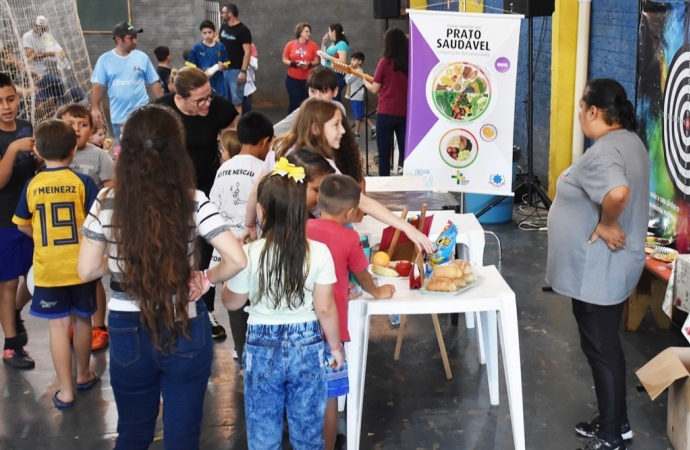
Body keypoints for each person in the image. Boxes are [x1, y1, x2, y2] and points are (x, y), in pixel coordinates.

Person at [78, 104, 246, 449]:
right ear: (176, 150)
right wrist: (206, 277)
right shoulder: (193, 200)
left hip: (127, 328)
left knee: (133, 434)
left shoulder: (106, 201)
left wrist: (123, 265)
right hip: (184, 321)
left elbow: (86, 269)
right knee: (183, 438)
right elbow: (237, 258)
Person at [546, 78, 650, 450]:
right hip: (609, 267)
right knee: (605, 346)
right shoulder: (628, 142)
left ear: (593, 111)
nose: (578, 115)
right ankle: (614, 421)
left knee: (602, 350)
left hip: (598, 271)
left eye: (580, 108)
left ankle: (612, 437)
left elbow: (617, 192)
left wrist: (606, 224)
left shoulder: (607, 150)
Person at [221, 158, 344, 449]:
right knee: (307, 433)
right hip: (308, 345)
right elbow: (325, 308)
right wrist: (336, 348)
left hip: (261, 346)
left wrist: (232, 268)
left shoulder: (250, 254)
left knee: (263, 433)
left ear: (262, 211)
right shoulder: (320, 252)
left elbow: (231, 302)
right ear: (304, 209)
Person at [243, 99, 434, 253]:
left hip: (271, 240)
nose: (343, 130)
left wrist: (249, 224)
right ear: (316, 129)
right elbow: (361, 201)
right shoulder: (322, 167)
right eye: (336, 125)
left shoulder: (279, 148)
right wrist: (406, 227)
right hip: (299, 246)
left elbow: (255, 193)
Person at [13, 119, 100, 408]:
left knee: (58, 327)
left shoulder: (33, 184)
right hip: (80, 266)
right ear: (74, 149)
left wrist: (42, 239)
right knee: (83, 320)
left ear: (37, 150)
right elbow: (97, 223)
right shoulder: (83, 182)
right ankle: (84, 374)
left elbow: (22, 225)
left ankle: (65, 390)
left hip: (49, 269)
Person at [307, 173, 396, 449]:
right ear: (350, 212)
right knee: (330, 398)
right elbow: (363, 275)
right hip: (330, 330)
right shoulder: (349, 238)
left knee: (304, 395)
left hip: (299, 324)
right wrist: (378, 292)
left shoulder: (304, 228)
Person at [155, 67, 238, 339]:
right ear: (179, 98)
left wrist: (230, 152)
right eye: (200, 100)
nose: (207, 104)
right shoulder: (161, 111)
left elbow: (237, 125)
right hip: (168, 189)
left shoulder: (216, 108)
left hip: (206, 185)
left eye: (209, 96)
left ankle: (206, 309)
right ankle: (164, 307)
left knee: (204, 247)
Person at [210, 111, 273, 366]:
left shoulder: (223, 168)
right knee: (256, 297)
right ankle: (259, 347)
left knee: (233, 297)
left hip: (226, 247)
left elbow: (213, 206)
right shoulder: (263, 169)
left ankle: (240, 348)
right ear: (265, 142)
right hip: (255, 245)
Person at [57, 104, 115, 351]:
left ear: (91, 130)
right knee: (69, 277)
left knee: (93, 278)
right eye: (70, 124)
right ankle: (74, 323)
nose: (77, 130)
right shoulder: (54, 155)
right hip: (64, 233)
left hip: (92, 231)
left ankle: (98, 326)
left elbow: (111, 190)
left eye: (82, 125)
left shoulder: (99, 156)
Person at [0, 73, 36, 370]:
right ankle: (11, 345)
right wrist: (13, 149)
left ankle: (13, 313)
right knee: (8, 280)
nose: (5, 106)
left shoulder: (26, 126)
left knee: (33, 274)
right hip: (3, 220)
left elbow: (32, 171)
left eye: (10, 99)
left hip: (28, 216)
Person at [91, 21, 163, 143]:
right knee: (125, 150)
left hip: (141, 114)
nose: (135, 41)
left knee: (145, 147)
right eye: (131, 38)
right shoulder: (105, 60)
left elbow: (154, 83)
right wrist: (95, 108)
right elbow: (98, 85)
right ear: (118, 39)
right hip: (119, 116)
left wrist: (164, 104)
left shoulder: (142, 57)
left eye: (136, 37)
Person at [364, 28, 409, 176]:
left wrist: (365, 82)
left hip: (385, 112)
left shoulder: (384, 62)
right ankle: (408, 183)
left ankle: (383, 186)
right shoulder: (410, 62)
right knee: (405, 153)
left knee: (383, 153)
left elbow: (375, 88)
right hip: (404, 113)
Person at [273, 65, 346, 137]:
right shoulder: (303, 113)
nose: (317, 97)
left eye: (324, 92)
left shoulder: (339, 108)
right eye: (313, 91)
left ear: (335, 91)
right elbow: (273, 132)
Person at [219, 3, 251, 118]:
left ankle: (236, 130)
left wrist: (243, 71)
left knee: (236, 101)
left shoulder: (243, 30)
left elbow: (247, 52)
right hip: (223, 69)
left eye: (223, 13)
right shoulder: (223, 28)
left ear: (230, 14)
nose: (222, 15)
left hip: (235, 70)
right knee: (224, 101)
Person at [282, 22, 321, 113]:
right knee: (294, 102)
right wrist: (294, 64)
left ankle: (306, 123)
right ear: (300, 32)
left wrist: (309, 64)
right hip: (292, 80)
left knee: (307, 102)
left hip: (308, 80)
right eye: (306, 31)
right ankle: (292, 123)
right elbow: (284, 59)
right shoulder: (290, 45)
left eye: (309, 32)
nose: (309, 34)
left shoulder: (313, 45)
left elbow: (317, 60)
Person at [186, 20, 229, 98]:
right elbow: (190, 69)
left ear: (214, 33)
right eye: (204, 33)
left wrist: (223, 66)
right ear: (201, 34)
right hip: (202, 84)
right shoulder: (196, 49)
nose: (207, 35)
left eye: (209, 32)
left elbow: (227, 65)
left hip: (219, 85)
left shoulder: (221, 47)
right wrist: (203, 73)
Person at [345, 52, 376, 139]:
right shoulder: (355, 71)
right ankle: (372, 128)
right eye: (351, 59)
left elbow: (348, 81)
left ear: (360, 62)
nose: (351, 61)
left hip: (356, 96)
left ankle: (357, 133)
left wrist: (347, 71)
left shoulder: (357, 72)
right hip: (356, 96)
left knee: (358, 116)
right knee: (360, 115)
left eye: (354, 60)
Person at [321, 23, 349, 102]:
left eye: (329, 31)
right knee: (330, 98)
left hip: (337, 74)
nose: (328, 33)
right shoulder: (333, 44)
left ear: (334, 32)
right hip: (330, 73)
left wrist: (328, 57)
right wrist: (323, 43)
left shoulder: (342, 44)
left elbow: (342, 61)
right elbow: (323, 55)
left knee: (334, 98)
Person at [242, 43, 258, 114]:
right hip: (231, 79)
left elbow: (254, 62)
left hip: (247, 81)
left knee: (247, 105)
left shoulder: (250, 45)